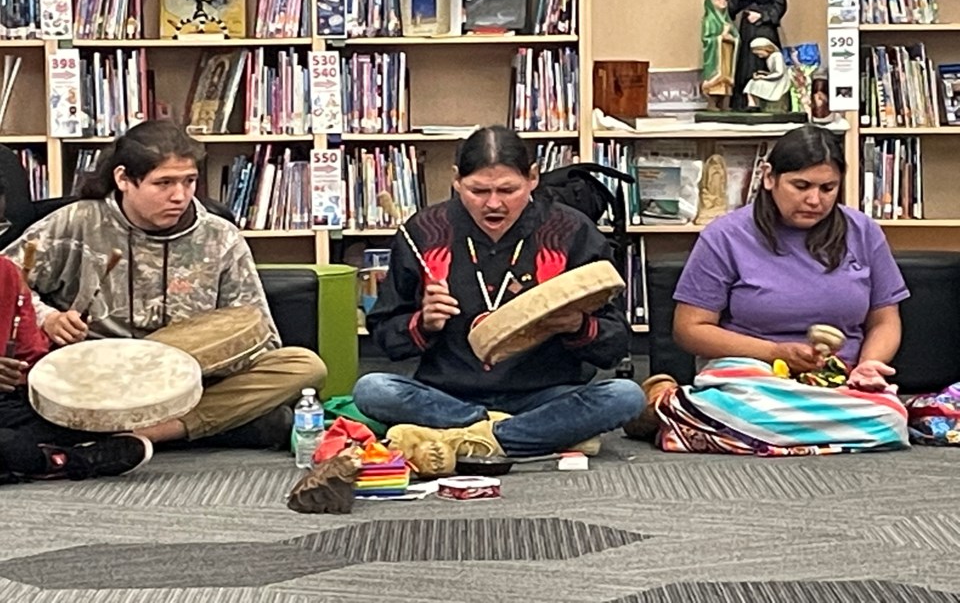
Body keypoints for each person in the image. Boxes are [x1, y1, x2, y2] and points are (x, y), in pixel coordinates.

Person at [1, 120, 326, 449]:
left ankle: (142, 435)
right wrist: (48, 318)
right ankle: (211, 425)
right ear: (124, 179)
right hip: (99, 376)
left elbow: (261, 335)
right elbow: (6, 280)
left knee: (303, 365)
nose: (180, 196)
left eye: (190, 181)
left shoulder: (220, 236)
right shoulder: (78, 221)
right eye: (164, 183)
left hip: (188, 372)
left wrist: (218, 353)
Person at [352, 126, 644, 477]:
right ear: (457, 181)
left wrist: (579, 326)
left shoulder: (571, 231)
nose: (493, 203)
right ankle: (525, 436)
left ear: (533, 178)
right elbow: (386, 334)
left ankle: (471, 441)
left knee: (626, 395)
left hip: (543, 392)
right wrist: (423, 322)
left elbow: (615, 344)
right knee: (372, 390)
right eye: (478, 190)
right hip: (448, 396)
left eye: (508, 190)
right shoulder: (424, 231)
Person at [631, 125, 911, 455]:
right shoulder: (725, 236)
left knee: (890, 417)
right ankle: (714, 416)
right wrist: (776, 353)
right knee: (744, 406)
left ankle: (690, 418)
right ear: (769, 177)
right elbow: (689, 330)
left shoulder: (863, 231)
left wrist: (868, 366)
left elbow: (884, 321)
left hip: (837, 380)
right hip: (751, 375)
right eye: (801, 186)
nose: (814, 200)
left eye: (827, 188)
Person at [0, 176, 152, 484]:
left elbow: (32, 359)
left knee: (81, 417)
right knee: (6, 444)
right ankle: (67, 461)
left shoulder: (6, 273)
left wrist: (62, 359)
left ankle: (29, 456)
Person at [727, 0, 787, 110]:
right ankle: (744, 103)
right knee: (746, 64)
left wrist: (763, 15)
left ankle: (765, 103)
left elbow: (780, 4)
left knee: (763, 62)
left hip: (764, 29)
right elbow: (733, 3)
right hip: (747, 29)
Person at [700, 0, 740, 112]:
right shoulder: (709, 20)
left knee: (726, 76)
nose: (722, 1)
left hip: (727, 53)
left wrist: (733, 39)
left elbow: (737, 38)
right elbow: (706, 39)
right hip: (715, 55)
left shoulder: (728, 21)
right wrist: (721, 36)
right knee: (716, 75)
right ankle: (712, 103)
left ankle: (725, 103)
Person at [743, 38, 791, 111]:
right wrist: (764, 73)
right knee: (752, 82)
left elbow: (779, 73)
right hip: (774, 79)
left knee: (755, 83)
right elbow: (773, 72)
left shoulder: (777, 56)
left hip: (780, 82)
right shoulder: (769, 57)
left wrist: (763, 77)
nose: (759, 56)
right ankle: (753, 104)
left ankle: (754, 104)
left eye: (759, 53)